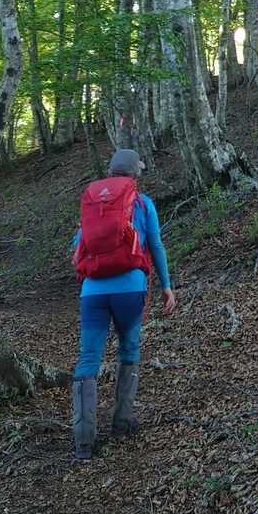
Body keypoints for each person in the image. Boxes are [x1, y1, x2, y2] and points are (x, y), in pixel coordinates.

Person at [70, 149, 176, 461]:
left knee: (88, 358)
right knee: (128, 349)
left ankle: (83, 442)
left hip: (92, 292)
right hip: (130, 288)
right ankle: (122, 422)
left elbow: (78, 246)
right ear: (135, 173)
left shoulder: (93, 204)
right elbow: (155, 245)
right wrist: (166, 286)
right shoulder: (142, 203)